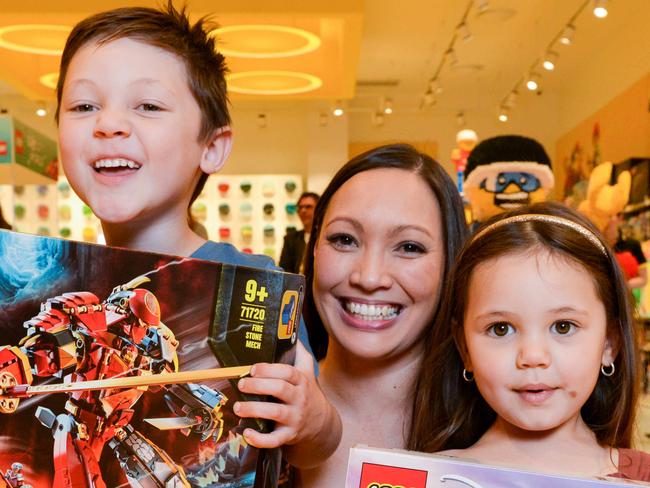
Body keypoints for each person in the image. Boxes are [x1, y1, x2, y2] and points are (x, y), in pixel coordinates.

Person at [54, 2, 339, 471]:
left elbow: (315, 449)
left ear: (211, 147)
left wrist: (313, 420)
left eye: (148, 106)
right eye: (84, 106)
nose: (109, 124)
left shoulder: (255, 283)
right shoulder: (58, 286)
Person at [415, 201, 649, 480]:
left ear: (610, 343)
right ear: (464, 347)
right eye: (501, 329)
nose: (533, 356)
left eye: (563, 327)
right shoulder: (425, 478)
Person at [298, 144, 468, 487]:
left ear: (450, 264)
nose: (370, 277)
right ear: (315, 249)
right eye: (345, 240)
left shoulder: (491, 426)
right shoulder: (253, 414)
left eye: (409, 247)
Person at [279, 192, 319, 273]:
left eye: (308, 207)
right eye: (300, 207)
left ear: (319, 209)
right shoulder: (290, 239)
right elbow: (284, 270)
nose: (303, 210)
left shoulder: (325, 238)